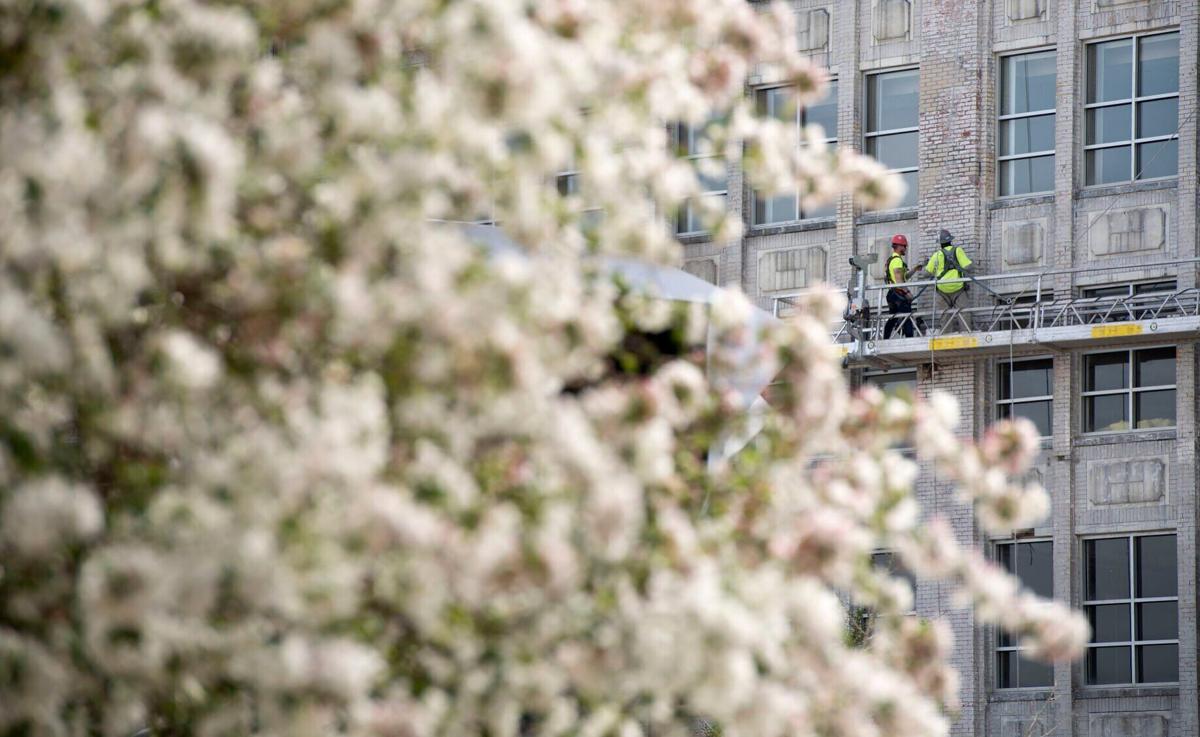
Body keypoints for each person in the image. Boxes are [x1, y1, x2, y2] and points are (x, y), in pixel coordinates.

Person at [924, 229, 973, 312]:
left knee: (945, 315)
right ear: (950, 240)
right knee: (964, 313)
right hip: (958, 287)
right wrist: (958, 267)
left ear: (940, 243)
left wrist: (929, 266)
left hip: (942, 289)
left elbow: (926, 273)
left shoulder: (936, 255)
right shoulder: (957, 250)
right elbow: (968, 267)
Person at [882, 234, 917, 338]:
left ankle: (885, 338)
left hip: (892, 294)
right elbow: (899, 280)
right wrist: (907, 293)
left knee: (893, 317)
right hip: (898, 294)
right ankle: (910, 339)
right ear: (899, 246)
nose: (905, 248)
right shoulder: (897, 260)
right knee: (906, 317)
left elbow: (904, 276)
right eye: (904, 246)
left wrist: (914, 269)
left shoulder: (890, 260)